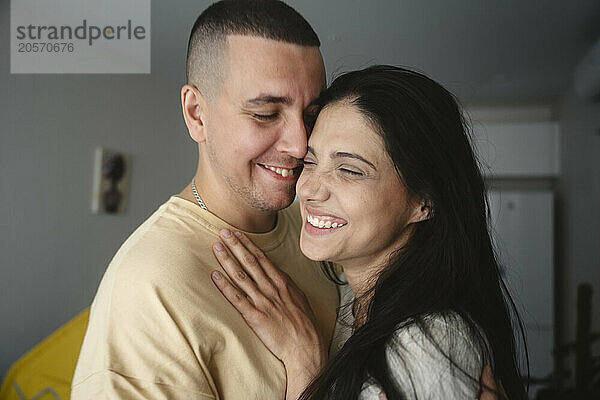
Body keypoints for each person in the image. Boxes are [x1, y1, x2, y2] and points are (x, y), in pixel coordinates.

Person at [71, 2, 339, 398]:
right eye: (267, 114)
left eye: (312, 113)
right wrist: (307, 371)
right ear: (197, 114)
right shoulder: (149, 288)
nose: (300, 145)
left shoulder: (318, 227)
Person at [210, 65, 528, 399]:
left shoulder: (425, 344)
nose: (308, 190)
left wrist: (305, 367)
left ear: (424, 202)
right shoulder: (356, 306)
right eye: (310, 161)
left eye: (349, 170)